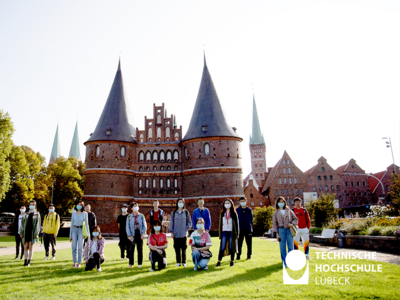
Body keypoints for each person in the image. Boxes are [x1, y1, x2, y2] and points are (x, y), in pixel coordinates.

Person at [272, 196, 298, 267]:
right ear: (277, 203)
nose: (281, 203)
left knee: (291, 247)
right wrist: (277, 234)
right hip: (281, 230)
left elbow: (295, 219)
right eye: (280, 202)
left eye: (282, 202)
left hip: (289, 229)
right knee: (282, 247)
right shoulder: (276, 212)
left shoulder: (288, 210)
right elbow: (274, 223)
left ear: (284, 203)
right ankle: (284, 262)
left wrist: (292, 224)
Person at [215, 198, 239, 267]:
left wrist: (237, 234)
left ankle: (232, 261)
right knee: (222, 247)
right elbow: (220, 224)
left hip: (231, 232)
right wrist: (220, 234)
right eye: (226, 203)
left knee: (232, 247)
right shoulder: (222, 213)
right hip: (224, 232)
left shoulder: (234, 213)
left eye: (228, 203)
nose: (227, 205)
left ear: (231, 204)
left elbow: (237, 224)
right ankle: (219, 261)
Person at [169, 197, 192, 267]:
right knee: (177, 248)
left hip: (183, 233)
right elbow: (171, 223)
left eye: (182, 202)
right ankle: (178, 262)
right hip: (176, 233)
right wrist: (171, 232)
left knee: (184, 248)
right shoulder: (174, 213)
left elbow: (189, 222)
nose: (180, 203)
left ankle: (184, 262)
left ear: (184, 203)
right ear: (177, 203)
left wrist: (186, 228)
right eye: (179, 202)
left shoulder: (186, 213)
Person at [20, 200, 41, 267]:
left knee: (31, 246)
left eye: (32, 204)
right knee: (26, 246)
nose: (31, 205)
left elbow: (38, 225)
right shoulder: (26, 214)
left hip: (32, 232)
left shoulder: (37, 214)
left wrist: (36, 233)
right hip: (26, 232)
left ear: (35, 205)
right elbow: (22, 224)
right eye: (30, 204)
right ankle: (25, 261)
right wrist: (21, 232)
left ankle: (29, 261)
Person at [70, 200, 91, 268]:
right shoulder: (73, 214)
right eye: (77, 204)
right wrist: (70, 235)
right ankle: (74, 262)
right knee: (73, 247)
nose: (78, 206)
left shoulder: (85, 214)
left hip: (81, 230)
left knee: (80, 247)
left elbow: (87, 224)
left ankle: (79, 262)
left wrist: (88, 234)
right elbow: (71, 224)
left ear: (82, 206)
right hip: (74, 230)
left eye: (80, 205)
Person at [126, 202, 147, 268]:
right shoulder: (129, 216)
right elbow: (127, 227)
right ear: (131, 208)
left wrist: (143, 233)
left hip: (139, 233)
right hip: (132, 233)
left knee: (140, 249)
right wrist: (129, 235)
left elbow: (144, 225)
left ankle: (140, 263)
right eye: (134, 206)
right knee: (131, 249)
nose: (136, 207)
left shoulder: (141, 215)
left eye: (137, 206)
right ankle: (131, 263)